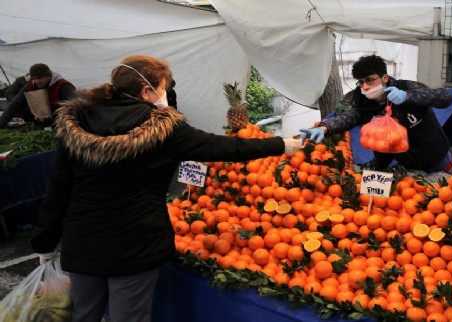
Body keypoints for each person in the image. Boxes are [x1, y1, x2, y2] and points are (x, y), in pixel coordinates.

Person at [30, 54, 301, 322]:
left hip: (83, 242)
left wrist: (44, 242)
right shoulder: (162, 128)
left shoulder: (77, 125)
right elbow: (225, 146)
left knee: (84, 314)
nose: (165, 94)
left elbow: (58, 189)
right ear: (146, 91)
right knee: (130, 317)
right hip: (135, 245)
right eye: (163, 88)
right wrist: (282, 145)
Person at [300, 54, 452, 174]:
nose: (365, 87)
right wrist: (325, 127)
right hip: (408, 168)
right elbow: (350, 117)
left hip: (439, 161)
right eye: (361, 82)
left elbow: (445, 97)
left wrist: (408, 97)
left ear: (384, 78)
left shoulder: (406, 87)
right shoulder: (364, 101)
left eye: (370, 80)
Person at [0, 63, 76, 128]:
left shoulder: (63, 86)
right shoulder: (31, 86)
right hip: (42, 124)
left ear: (49, 76)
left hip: (63, 124)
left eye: (39, 78)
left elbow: (77, 106)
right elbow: (16, 104)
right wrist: (2, 122)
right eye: (34, 78)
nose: (36, 81)